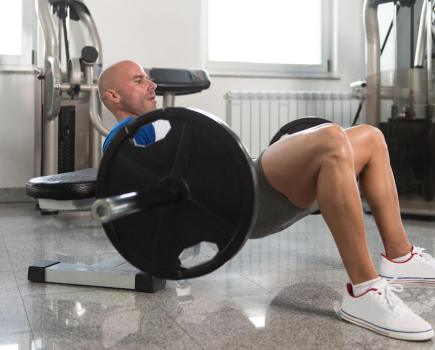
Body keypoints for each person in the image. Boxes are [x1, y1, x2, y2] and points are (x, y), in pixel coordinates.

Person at [98, 60, 435, 341]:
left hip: (255, 178)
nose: (152, 85)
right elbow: (136, 192)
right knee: (331, 137)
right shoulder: (124, 139)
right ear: (113, 95)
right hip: (248, 194)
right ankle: (364, 291)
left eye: (149, 79)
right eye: (139, 80)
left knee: (371, 138)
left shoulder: (162, 125)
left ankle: (400, 256)